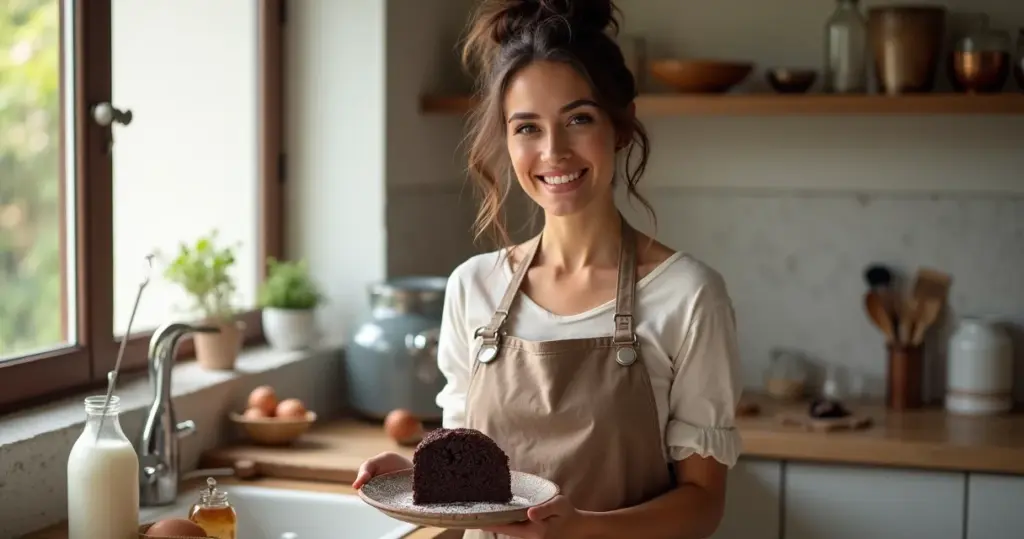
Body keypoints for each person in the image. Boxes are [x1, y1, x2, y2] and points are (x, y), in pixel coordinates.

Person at [352, 1, 743, 537]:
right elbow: (473, 474)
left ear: (621, 125)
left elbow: (702, 504)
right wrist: (414, 479)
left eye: (578, 119)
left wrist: (581, 528)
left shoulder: (689, 295)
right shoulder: (473, 286)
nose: (553, 151)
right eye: (527, 128)